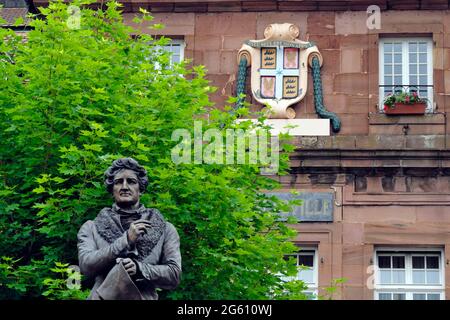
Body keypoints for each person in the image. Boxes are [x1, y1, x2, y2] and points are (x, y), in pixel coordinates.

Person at [77, 157, 181, 300]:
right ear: (112, 189)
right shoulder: (91, 227)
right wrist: (125, 241)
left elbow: (174, 274)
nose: (124, 187)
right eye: (118, 182)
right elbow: (86, 267)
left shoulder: (165, 229)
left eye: (131, 181)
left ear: (141, 188)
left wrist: (140, 269)